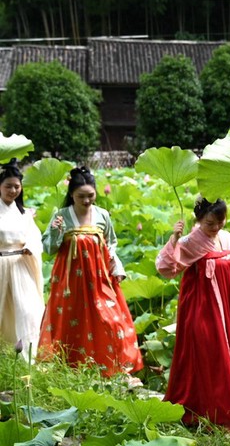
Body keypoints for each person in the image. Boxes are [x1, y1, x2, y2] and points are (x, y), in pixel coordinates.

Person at [38, 167, 142, 378]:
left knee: (111, 320)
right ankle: (70, 369)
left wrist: (116, 268)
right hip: (69, 281)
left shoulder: (102, 215)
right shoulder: (61, 216)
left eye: (90, 196)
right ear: (71, 195)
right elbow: (49, 249)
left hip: (99, 278)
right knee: (69, 323)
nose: (86, 201)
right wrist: (57, 231)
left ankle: (113, 366)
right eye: (81, 197)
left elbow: (111, 244)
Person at [157, 198, 230, 430]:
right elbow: (166, 268)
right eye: (210, 223)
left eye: (220, 221)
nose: (216, 227)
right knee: (211, 354)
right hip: (203, 307)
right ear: (198, 220)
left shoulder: (228, 238)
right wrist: (174, 239)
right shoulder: (190, 241)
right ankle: (210, 412)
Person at [0, 162, 43, 361]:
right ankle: (4, 354)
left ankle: (27, 355)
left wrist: (30, 248)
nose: (13, 190)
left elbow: (34, 237)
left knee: (27, 310)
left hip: (20, 265)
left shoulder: (25, 214)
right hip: (1, 264)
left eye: (17, 186)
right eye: (8, 186)